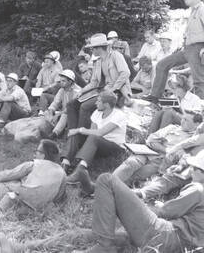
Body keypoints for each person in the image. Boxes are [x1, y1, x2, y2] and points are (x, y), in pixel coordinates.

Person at [72, 150, 204, 253]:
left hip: (164, 235)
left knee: (106, 179)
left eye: (194, 168)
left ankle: (104, 247)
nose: (190, 170)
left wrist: (138, 206)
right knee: (122, 234)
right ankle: (107, 240)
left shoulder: (198, 189)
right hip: (179, 244)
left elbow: (165, 211)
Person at [143, 0, 204, 103]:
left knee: (199, 80)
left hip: (198, 48)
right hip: (187, 49)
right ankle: (155, 97)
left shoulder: (202, 10)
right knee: (161, 65)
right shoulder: (192, 11)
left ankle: (200, 109)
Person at [65, 33, 131, 143]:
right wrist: (82, 91)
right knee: (71, 104)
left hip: (117, 92)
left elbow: (125, 73)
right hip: (103, 91)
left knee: (85, 106)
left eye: (92, 48)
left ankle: (81, 139)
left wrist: (113, 89)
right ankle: (72, 135)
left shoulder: (116, 55)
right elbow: (94, 82)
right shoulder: (98, 61)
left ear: (99, 48)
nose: (91, 51)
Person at [63, 91, 127, 195]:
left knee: (91, 136)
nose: (96, 103)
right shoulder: (97, 112)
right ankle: (65, 164)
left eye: (98, 101)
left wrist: (80, 129)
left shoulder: (119, 115)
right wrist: (79, 133)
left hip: (114, 147)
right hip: (97, 144)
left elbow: (100, 133)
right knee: (75, 135)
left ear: (106, 104)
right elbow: (92, 132)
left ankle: (79, 170)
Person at [113, 111, 202, 185]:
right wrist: (166, 149)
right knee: (130, 163)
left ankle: (110, 187)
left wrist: (159, 146)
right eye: (183, 118)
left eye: (186, 120)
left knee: (138, 175)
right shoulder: (172, 128)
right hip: (147, 152)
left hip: (160, 162)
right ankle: (108, 183)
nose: (182, 121)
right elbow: (150, 140)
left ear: (197, 124)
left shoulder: (194, 140)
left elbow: (181, 157)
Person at [44, 70, 80, 139]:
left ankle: (54, 134)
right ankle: (54, 130)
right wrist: (51, 112)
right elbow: (55, 103)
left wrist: (58, 114)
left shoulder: (77, 91)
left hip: (74, 114)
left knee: (65, 114)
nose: (61, 83)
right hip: (63, 112)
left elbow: (70, 108)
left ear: (70, 82)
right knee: (47, 112)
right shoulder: (62, 90)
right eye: (61, 81)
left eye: (63, 81)